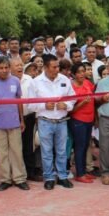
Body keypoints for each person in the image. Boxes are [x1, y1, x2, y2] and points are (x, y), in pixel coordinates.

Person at [28, 54, 75, 190]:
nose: (57, 69)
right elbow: (30, 104)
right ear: (45, 67)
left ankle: (62, 177)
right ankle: (48, 177)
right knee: (46, 151)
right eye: (54, 67)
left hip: (62, 121)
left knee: (62, 151)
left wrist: (66, 105)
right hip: (45, 121)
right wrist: (43, 106)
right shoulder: (35, 82)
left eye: (58, 66)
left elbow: (73, 98)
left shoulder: (64, 79)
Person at [0, 56, 28, 191]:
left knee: (17, 151)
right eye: (1, 68)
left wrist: (21, 119)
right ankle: (5, 179)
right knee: (2, 153)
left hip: (14, 121)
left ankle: (19, 178)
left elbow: (19, 100)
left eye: (6, 67)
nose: (4, 70)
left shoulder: (15, 80)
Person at [69, 63, 95, 184]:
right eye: (79, 72)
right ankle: (79, 174)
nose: (82, 74)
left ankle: (84, 171)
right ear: (74, 74)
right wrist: (83, 103)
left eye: (83, 71)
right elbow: (70, 110)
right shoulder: (71, 88)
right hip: (78, 120)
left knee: (85, 146)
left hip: (90, 119)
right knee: (79, 147)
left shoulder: (88, 83)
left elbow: (94, 99)